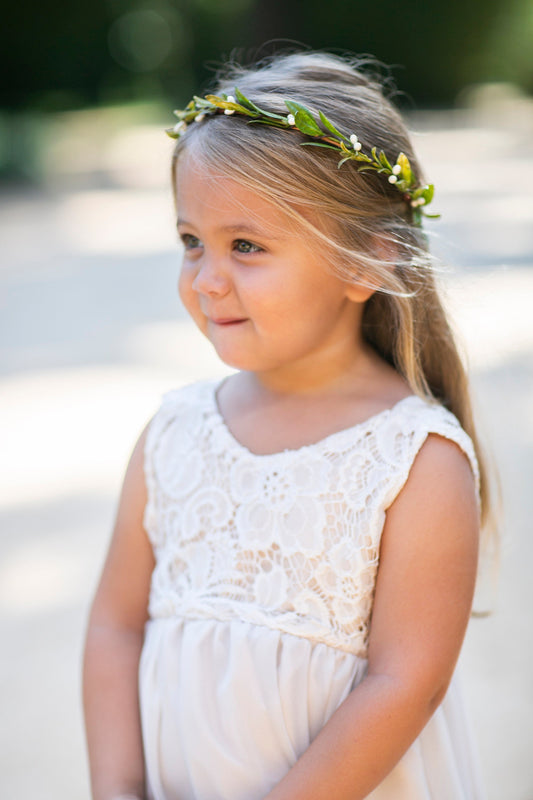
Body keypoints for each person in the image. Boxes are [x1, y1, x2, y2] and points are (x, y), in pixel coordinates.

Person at [83, 50, 493, 800]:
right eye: (190, 242)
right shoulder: (174, 434)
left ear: (366, 263)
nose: (207, 278)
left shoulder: (414, 461)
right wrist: (117, 788)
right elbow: (114, 627)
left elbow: (406, 683)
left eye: (246, 246)